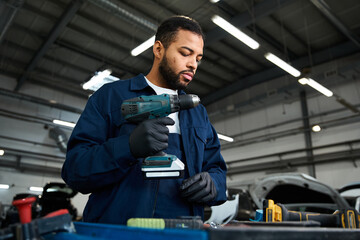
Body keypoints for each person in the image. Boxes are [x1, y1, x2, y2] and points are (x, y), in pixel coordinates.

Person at [62, 15, 227, 225]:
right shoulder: (111, 97)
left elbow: (218, 171)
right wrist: (127, 147)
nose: (193, 64)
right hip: (119, 233)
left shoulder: (198, 113)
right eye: (185, 53)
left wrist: (213, 183)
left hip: (183, 232)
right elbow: (75, 171)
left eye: (198, 58)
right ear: (158, 49)